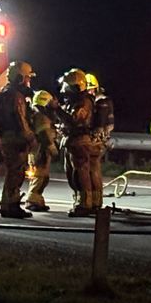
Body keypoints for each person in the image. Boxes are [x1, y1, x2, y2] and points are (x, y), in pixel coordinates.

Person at [0, 61, 38, 219]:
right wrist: (30, 137)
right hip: (15, 138)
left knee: (13, 172)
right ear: (20, 78)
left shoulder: (4, 92)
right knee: (16, 172)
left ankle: (9, 204)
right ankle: (10, 206)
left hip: (7, 137)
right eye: (27, 77)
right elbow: (20, 119)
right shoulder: (16, 96)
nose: (29, 81)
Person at [53, 68, 97, 217]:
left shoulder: (84, 102)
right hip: (71, 140)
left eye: (68, 87)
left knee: (80, 173)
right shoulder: (74, 101)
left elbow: (74, 120)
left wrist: (57, 110)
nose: (64, 91)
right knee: (72, 174)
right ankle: (79, 201)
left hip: (80, 141)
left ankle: (85, 203)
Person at [84, 73, 114, 210]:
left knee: (91, 170)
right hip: (100, 140)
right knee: (93, 170)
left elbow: (99, 125)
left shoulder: (100, 102)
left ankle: (93, 201)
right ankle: (95, 201)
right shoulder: (105, 101)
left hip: (96, 140)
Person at [25, 90, 58, 212]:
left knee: (41, 177)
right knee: (40, 177)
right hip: (40, 150)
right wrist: (53, 149)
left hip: (38, 150)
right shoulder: (41, 116)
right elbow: (44, 134)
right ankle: (32, 200)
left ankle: (37, 200)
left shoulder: (37, 114)